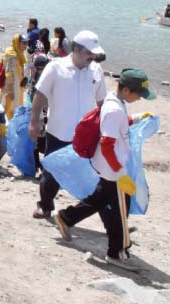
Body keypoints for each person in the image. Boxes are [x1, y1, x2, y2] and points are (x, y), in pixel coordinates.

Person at [54, 69, 156, 272]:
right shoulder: (114, 109)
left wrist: (135, 118)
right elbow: (108, 143)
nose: (139, 99)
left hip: (109, 167)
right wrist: (120, 173)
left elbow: (117, 127)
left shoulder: (115, 102)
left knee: (102, 200)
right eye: (138, 95)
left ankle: (67, 217)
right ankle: (116, 252)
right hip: (113, 170)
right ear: (126, 90)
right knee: (119, 211)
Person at [29, 30, 107, 218]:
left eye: (94, 53)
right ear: (76, 50)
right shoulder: (55, 67)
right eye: (89, 52)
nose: (93, 56)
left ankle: (104, 218)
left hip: (87, 135)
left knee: (94, 175)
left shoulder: (96, 70)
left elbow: (102, 102)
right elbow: (39, 96)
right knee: (52, 173)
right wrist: (34, 122)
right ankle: (45, 205)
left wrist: (108, 127)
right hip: (59, 131)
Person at [0, 34, 28, 120]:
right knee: (11, 107)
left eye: (27, 43)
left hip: (17, 85)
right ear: (17, 42)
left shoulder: (18, 53)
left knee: (14, 107)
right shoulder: (12, 55)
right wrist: (11, 90)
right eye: (23, 43)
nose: (26, 45)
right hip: (13, 86)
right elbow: (8, 73)